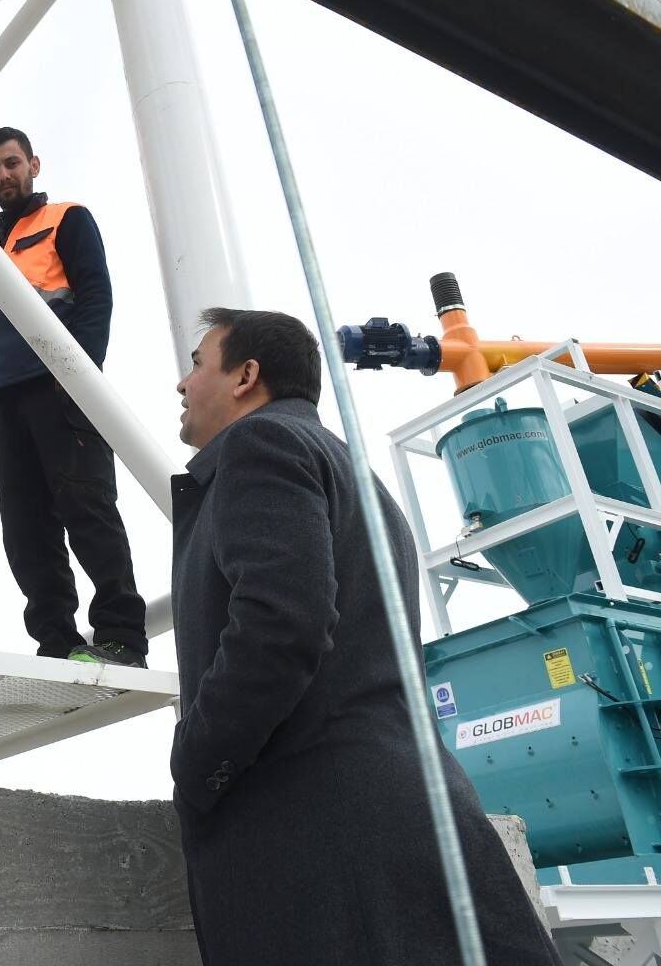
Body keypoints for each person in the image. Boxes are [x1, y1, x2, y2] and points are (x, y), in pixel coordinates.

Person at [169, 307, 559, 965]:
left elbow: (280, 624)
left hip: (323, 842)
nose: (183, 384)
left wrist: (196, 765)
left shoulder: (260, 447)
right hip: (402, 816)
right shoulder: (358, 476)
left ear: (246, 376)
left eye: (198, 363)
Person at [0, 126, 147, 666]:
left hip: (61, 390)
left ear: (34, 165)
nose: (5, 175)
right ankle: (56, 642)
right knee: (25, 531)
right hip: (6, 404)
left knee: (88, 510)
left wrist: (80, 373)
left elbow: (95, 297)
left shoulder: (66, 218)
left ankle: (121, 639)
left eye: (12, 163)